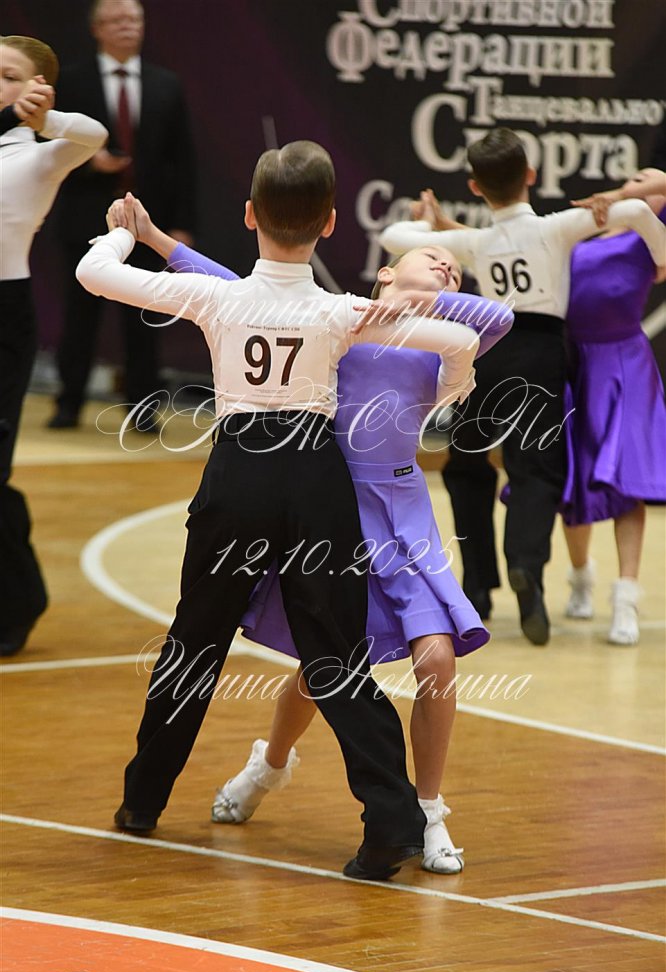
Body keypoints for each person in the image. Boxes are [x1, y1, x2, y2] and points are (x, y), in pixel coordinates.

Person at [76, 141, 481, 881]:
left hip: (239, 475)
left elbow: (93, 275)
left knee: (194, 643)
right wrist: (446, 375)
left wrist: (123, 234)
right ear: (330, 224)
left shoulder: (222, 298)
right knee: (337, 654)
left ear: (249, 216)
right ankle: (392, 823)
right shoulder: (341, 309)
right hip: (317, 481)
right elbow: (462, 337)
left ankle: (143, 799)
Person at [379, 128, 666, 646]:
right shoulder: (558, 227)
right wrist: (659, 254)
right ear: (531, 175)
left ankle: (477, 585)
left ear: (474, 186)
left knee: (466, 468)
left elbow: (395, 239)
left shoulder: (477, 242)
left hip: (485, 347)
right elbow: (641, 213)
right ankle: (526, 567)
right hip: (541, 356)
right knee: (536, 471)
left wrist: (427, 223)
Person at [0, 36, 108, 657]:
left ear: (37, 87)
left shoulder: (37, 158)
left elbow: (93, 135)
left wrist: (46, 120)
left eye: (9, 75)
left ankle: (20, 600)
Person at [48, 0, 197, 433]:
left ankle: (142, 408)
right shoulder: (71, 81)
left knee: (145, 319)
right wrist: (89, 162)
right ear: (97, 28)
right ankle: (69, 402)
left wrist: (182, 225)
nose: (127, 27)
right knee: (80, 318)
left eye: (134, 19)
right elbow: (48, 148)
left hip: (148, 224)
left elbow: (184, 161)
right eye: (116, 20)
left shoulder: (166, 84)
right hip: (85, 216)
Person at [560, 168, 666, 644]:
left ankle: (626, 598)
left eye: (647, 178)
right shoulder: (583, 231)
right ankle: (580, 576)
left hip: (625, 364)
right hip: (574, 361)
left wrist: (626, 193)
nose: (641, 181)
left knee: (626, 482)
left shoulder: (651, 235)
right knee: (574, 482)